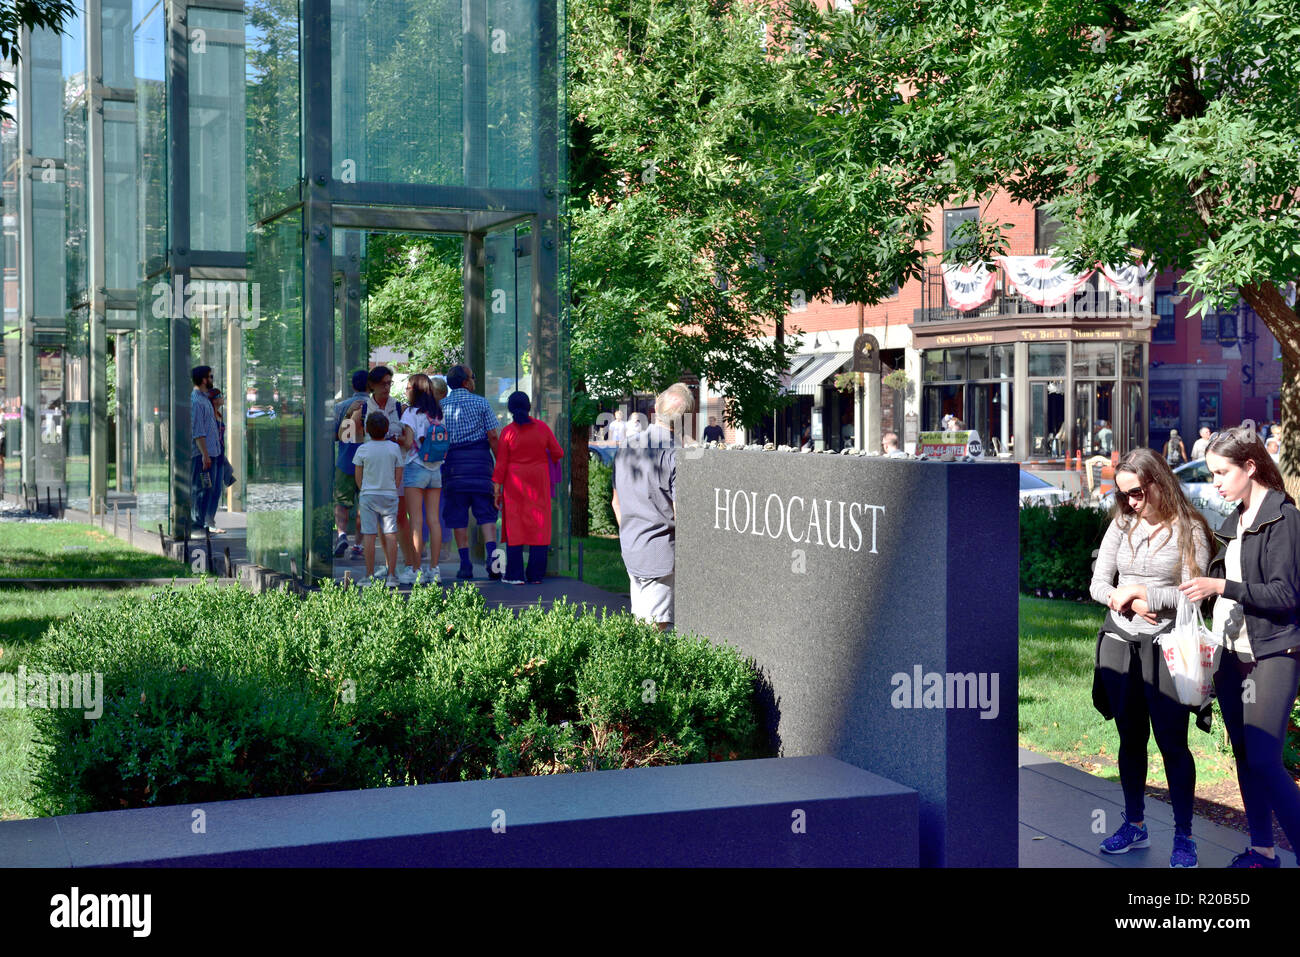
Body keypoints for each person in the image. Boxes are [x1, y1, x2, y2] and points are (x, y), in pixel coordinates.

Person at [1178, 426, 1300, 867]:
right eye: (1211, 473)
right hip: (1232, 655)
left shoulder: (1284, 519)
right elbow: (1228, 583)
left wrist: (1221, 584)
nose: (1215, 482)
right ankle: (1263, 851)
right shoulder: (1236, 518)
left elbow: (1285, 594)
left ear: (1250, 467)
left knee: (1266, 758)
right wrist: (1203, 589)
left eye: (1221, 473)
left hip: (1273, 653)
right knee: (1246, 757)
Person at [1090, 447, 1211, 868]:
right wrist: (1120, 600)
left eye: (1137, 492)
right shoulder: (1122, 524)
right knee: (1130, 739)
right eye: (1123, 495)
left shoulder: (1191, 529)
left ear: (1159, 482)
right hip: (1120, 642)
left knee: (1173, 744)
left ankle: (1184, 836)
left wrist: (1143, 596)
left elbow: (1193, 591)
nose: (1130, 502)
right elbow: (1098, 583)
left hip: (1167, 647)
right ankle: (1135, 824)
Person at [612, 383, 693, 630]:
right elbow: (683, 515)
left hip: (631, 546)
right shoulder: (677, 455)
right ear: (685, 420)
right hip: (660, 553)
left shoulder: (626, 446)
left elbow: (616, 502)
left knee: (641, 628)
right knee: (654, 635)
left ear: (655, 408)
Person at [345, 366, 416, 582]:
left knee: (399, 520)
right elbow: (346, 435)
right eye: (383, 383)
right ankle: (389, 566)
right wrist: (351, 415)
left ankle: (410, 565)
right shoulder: (363, 407)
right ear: (372, 385)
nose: (387, 387)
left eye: (389, 383)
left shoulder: (399, 407)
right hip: (375, 471)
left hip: (396, 467)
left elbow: (409, 440)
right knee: (382, 525)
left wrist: (396, 441)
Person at [492, 391, 564, 584]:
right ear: (529, 406)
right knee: (539, 525)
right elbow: (558, 452)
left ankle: (515, 575)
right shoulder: (542, 428)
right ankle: (535, 575)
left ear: (510, 408)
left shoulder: (508, 432)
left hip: (514, 482)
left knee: (515, 525)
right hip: (539, 480)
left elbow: (500, 464)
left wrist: (496, 489)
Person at [440, 364, 502, 580]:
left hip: (454, 466)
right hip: (480, 464)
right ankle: (494, 561)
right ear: (466, 382)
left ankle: (465, 564)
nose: (474, 380)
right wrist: (500, 462)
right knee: (486, 514)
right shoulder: (481, 403)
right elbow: (493, 436)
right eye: (473, 377)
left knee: (458, 516)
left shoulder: (442, 406)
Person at [396, 374, 445, 584]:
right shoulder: (438, 413)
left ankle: (415, 570)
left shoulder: (411, 413)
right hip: (436, 469)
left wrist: (394, 438)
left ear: (415, 389)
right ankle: (434, 569)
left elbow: (407, 443)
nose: (406, 391)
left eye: (408, 387)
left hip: (415, 467)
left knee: (415, 520)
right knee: (433, 521)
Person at [352, 412, 405, 586]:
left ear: (367, 429)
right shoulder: (394, 448)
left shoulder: (363, 449)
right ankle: (391, 575)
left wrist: (365, 489)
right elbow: (398, 476)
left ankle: (369, 575)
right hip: (389, 493)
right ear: (387, 429)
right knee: (390, 534)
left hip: (368, 494)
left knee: (369, 534)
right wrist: (391, 486)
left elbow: (358, 477)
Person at [333, 369, 370, 560]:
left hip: (346, 460)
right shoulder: (376, 406)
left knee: (341, 502)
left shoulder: (341, 407)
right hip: (369, 463)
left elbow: (335, 436)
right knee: (364, 503)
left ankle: (341, 535)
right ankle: (358, 545)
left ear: (353, 386)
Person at [189, 365, 221, 536]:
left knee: (208, 489)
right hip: (203, 456)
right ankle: (196, 525)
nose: (212, 379)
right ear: (203, 379)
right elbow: (198, 431)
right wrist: (205, 455)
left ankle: (202, 524)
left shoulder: (204, 399)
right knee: (200, 489)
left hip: (212, 454)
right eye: (210, 376)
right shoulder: (196, 401)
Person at [201, 387, 230, 534]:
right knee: (209, 488)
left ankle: (210, 520)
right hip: (210, 456)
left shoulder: (219, 414)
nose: (223, 398)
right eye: (221, 396)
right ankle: (206, 521)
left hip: (219, 455)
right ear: (214, 399)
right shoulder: (209, 415)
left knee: (217, 490)